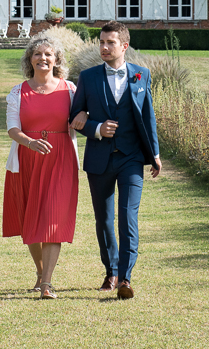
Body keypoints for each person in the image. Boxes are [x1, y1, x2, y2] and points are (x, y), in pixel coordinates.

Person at [69, 21, 161, 299]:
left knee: (128, 217)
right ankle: (111, 270)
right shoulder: (88, 77)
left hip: (132, 158)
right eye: (101, 42)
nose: (104, 47)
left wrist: (154, 154)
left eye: (110, 42)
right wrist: (96, 128)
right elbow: (73, 118)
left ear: (124, 46)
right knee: (105, 219)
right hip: (100, 159)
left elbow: (148, 116)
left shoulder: (141, 75)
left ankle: (125, 279)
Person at [3, 34, 80, 299]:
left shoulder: (70, 90)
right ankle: (39, 271)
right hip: (27, 159)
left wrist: (84, 116)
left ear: (57, 59)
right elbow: (12, 128)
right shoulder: (18, 91)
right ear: (30, 59)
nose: (43, 58)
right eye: (37, 54)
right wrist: (29, 142)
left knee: (53, 218)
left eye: (48, 54)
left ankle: (47, 283)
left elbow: (84, 115)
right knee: (30, 222)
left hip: (61, 160)